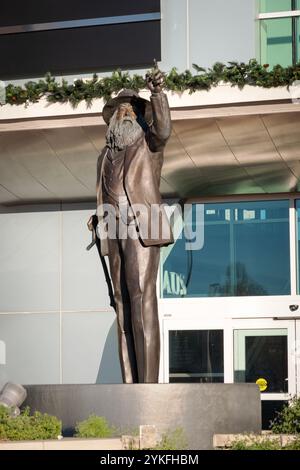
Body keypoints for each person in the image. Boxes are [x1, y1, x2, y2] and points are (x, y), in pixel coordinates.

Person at [88, 68, 173, 383]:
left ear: (140, 117)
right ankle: (130, 384)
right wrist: (98, 218)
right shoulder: (103, 157)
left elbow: (163, 130)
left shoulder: (149, 144)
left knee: (141, 298)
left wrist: (157, 95)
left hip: (141, 226)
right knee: (122, 304)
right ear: (111, 120)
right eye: (120, 111)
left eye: (131, 111)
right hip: (113, 228)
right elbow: (106, 193)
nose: (125, 114)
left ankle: (148, 385)